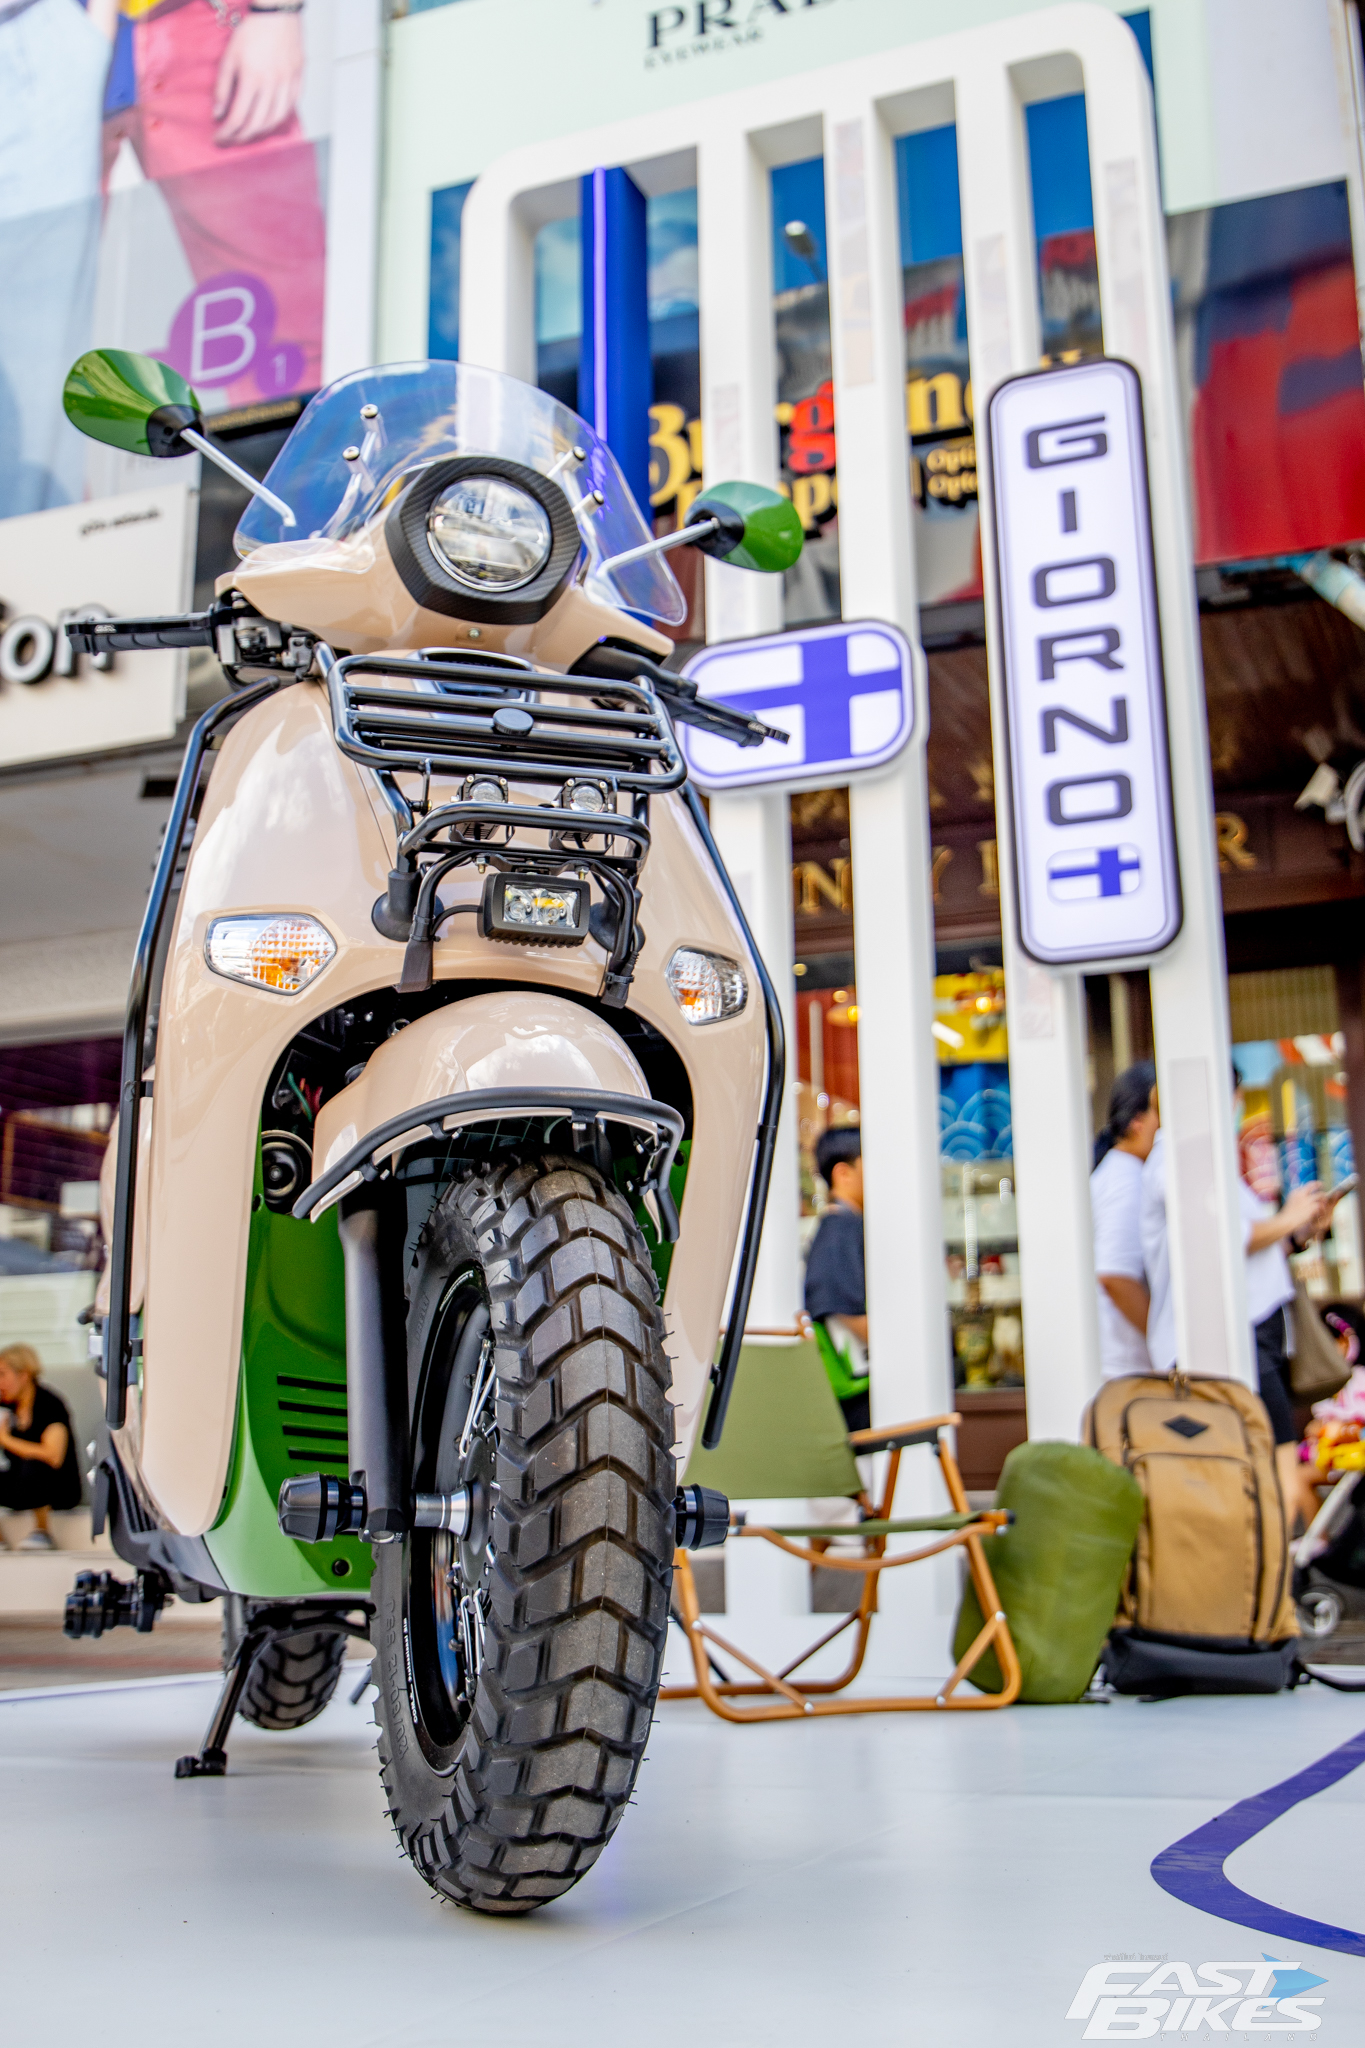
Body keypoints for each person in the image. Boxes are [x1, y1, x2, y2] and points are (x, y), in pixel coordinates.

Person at [1090, 1061, 1158, 1379]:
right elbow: (1116, 1276)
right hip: (1127, 1367)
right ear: (1137, 1122)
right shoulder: (1126, 1181)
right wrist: (1161, 1336)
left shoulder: (1122, 1173)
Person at [804, 1126, 870, 1431]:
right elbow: (843, 1307)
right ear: (843, 1173)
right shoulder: (840, 1230)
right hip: (859, 1393)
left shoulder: (842, 1227)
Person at [0, 1343, 81, 1548]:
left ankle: (43, 1531)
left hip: (58, 1490)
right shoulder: (7, 1407)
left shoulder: (49, 1404)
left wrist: (5, 1440)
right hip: (20, 1487)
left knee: (34, 1465)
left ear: (23, 1375)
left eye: (2, 1375)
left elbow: (53, 1455)